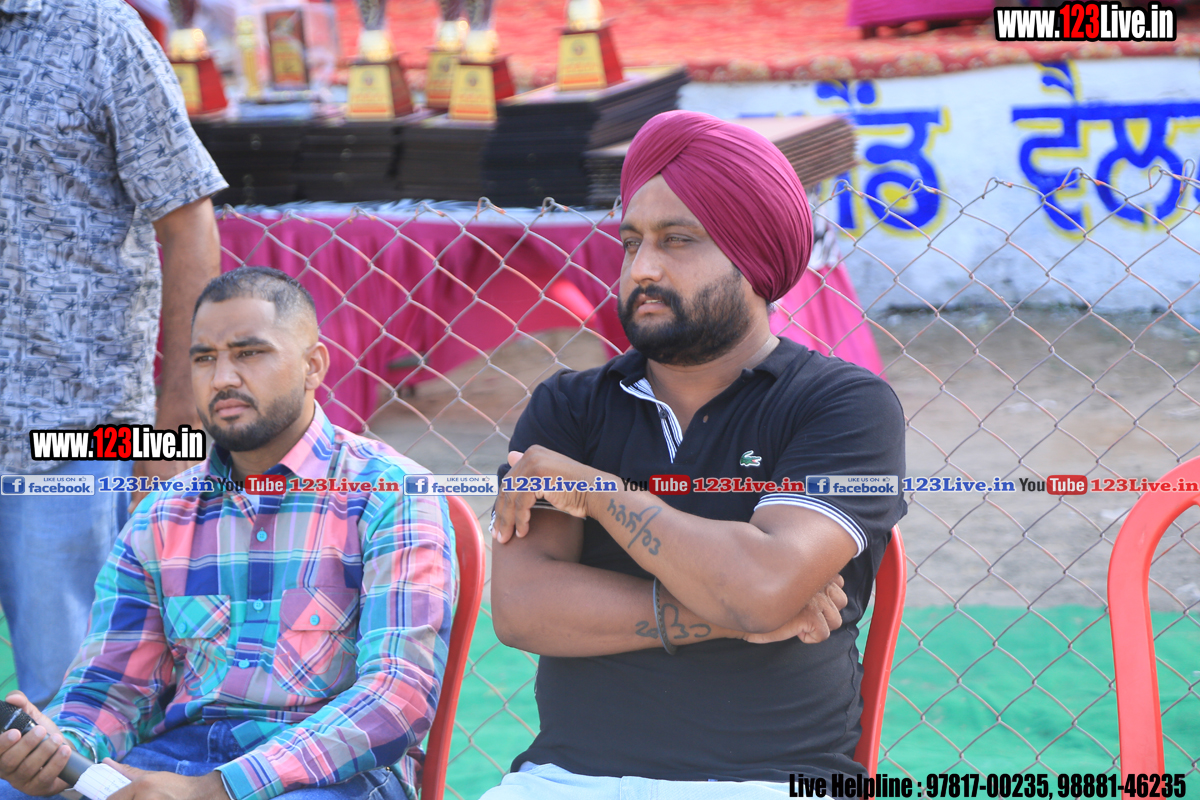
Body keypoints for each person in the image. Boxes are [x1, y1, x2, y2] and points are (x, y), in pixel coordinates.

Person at [485, 110, 907, 798]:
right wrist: (733, 610)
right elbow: (524, 608)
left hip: (769, 783)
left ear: (752, 258)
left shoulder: (841, 404)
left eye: (677, 240)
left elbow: (764, 583)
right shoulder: (570, 406)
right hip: (568, 780)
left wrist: (601, 494)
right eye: (631, 242)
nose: (642, 268)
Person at [0, 268, 456, 800]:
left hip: (332, 777)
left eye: (248, 353)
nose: (221, 378)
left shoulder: (390, 494)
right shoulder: (161, 515)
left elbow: (397, 696)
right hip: (173, 763)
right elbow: (112, 688)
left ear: (313, 366)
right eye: (203, 358)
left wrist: (215, 789)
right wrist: (59, 751)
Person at [0, 0, 227, 709]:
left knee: (75, 704)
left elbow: (190, 222)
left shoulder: (99, 30)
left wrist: (177, 424)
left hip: (71, 434)